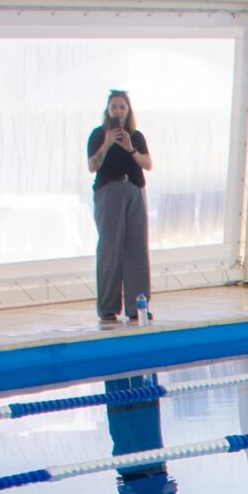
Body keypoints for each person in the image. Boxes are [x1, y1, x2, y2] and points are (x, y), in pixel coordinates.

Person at [87, 90, 152, 328]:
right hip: (109, 191)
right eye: (114, 107)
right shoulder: (98, 135)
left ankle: (138, 305)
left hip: (133, 188)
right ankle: (107, 308)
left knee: (136, 248)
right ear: (108, 110)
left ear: (128, 110)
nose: (118, 111)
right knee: (110, 248)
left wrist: (130, 148)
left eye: (122, 107)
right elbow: (92, 166)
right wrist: (107, 143)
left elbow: (148, 164)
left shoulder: (136, 136)